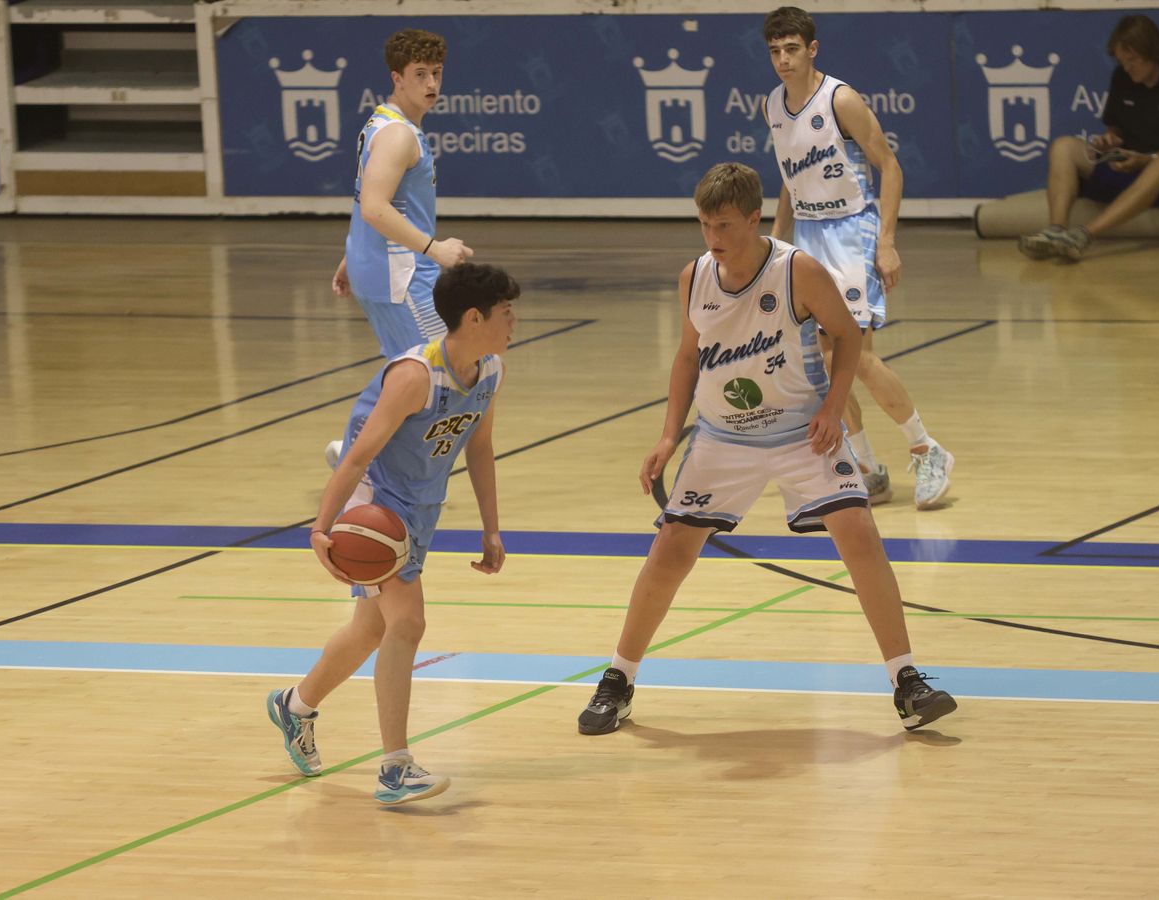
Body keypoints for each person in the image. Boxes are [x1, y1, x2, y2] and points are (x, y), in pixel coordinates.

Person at [576, 163, 957, 737]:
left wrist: (833, 409)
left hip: (800, 432)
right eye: (705, 225)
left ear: (755, 219)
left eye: (725, 225)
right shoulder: (695, 277)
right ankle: (618, 679)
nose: (713, 238)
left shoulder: (797, 271)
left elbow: (849, 337)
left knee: (859, 535)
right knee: (671, 551)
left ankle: (908, 682)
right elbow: (686, 357)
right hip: (722, 438)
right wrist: (665, 435)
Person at [267, 262, 515, 805]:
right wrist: (320, 528)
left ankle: (295, 706)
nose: (513, 321)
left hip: (422, 505)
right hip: (377, 504)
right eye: (505, 312)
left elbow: (479, 447)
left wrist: (491, 528)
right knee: (408, 623)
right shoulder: (415, 376)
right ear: (474, 317)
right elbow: (356, 456)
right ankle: (395, 767)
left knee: (370, 631)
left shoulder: (490, 369)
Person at [760, 6, 954, 510]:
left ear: (812, 49)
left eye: (792, 49)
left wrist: (886, 241)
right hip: (808, 234)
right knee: (820, 366)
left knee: (857, 356)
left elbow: (889, 165)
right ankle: (867, 468)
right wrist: (776, 246)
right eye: (775, 51)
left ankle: (927, 448)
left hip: (852, 229)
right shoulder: (773, 106)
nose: (783, 59)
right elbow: (789, 179)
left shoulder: (840, 98)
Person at [325, 28, 475, 467]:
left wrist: (350, 256)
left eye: (437, 73)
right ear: (397, 77)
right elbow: (373, 206)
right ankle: (362, 456)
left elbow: (368, 200)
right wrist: (435, 248)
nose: (431, 84)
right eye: (420, 74)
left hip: (380, 267)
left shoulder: (383, 124)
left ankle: (362, 455)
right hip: (403, 275)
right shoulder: (399, 136)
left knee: (410, 369)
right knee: (443, 367)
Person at [1019, 15, 1159, 261]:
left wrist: (1149, 159)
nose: (1127, 67)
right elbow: (1116, 129)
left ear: (1154, 52)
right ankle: (1055, 232)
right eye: (1122, 61)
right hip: (1131, 166)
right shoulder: (1122, 78)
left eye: (1133, 60)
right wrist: (1110, 140)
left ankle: (1083, 236)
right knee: (1063, 146)